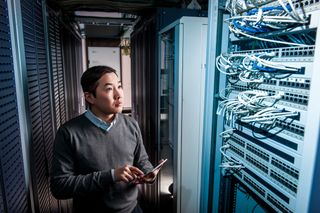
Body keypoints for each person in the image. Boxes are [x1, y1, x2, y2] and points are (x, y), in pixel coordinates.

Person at [50, 65, 160, 213]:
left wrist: (149, 173)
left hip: (132, 209)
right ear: (90, 97)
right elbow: (60, 187)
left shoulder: (131, 124)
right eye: (109, 89)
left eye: (119, 86)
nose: (119, 94)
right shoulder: (68, 132)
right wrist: (112, 175)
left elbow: (142, 160)